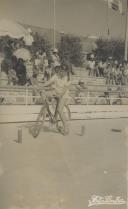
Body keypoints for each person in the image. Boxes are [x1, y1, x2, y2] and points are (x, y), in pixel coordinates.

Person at [35, 65, 70, 135]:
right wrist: (41, 86)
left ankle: (66, 128)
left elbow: (64, 89)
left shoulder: (68, 78)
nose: (62, 73)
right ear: (60, 70)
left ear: (66, 72)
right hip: (55, 92)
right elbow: (49, 82)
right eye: (61, 71)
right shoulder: (56, 75)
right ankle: (48, 110)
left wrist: (60, 95)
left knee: (60, 110)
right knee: (43, 93)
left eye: (64, 72)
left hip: (63, 95)